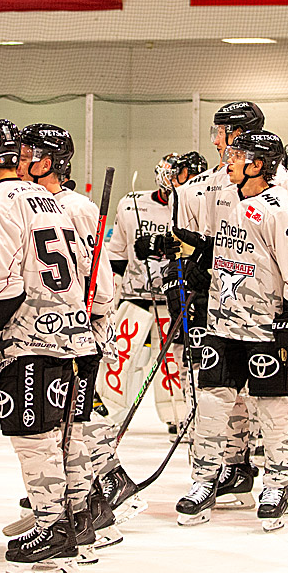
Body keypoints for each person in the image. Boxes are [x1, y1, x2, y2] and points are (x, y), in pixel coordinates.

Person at [0, 119, 96, 573]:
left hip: (33, 339)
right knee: (69, 435)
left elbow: (2, 288)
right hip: (75, 334)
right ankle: (77, 522)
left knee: (35, 437)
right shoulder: (51, 199)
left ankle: (52, 531)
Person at [173, 130, 288, 532]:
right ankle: (204, 480)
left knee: (273, 408)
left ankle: (278, 484)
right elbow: (229, 247)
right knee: (211, 404)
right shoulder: (230, 199)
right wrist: (202, 261)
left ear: (258, 165)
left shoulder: (280, 208)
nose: (229, 161)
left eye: (238, 156)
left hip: (265, 328)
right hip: (223, 325)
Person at [16, 123, 121, 555]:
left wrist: (94, 324)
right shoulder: (28, 202)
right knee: (58, 424)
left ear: (49, 162)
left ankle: (97, 498)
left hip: (80, 328)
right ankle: (71, 506)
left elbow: (99, 275)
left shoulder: (76, 207)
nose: (19, 162)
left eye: (28, 156)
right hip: (52, 330)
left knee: (72, 424)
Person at [102, 153, 191, 446]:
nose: (184, 182)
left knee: (171, 362)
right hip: (135, 296)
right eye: (181, 175)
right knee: (121, 356)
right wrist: (110, 295)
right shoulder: (131, 204)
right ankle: (111, 413)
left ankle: (177, 415)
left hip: (172, 298)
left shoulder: (192, 206)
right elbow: (117, 253)